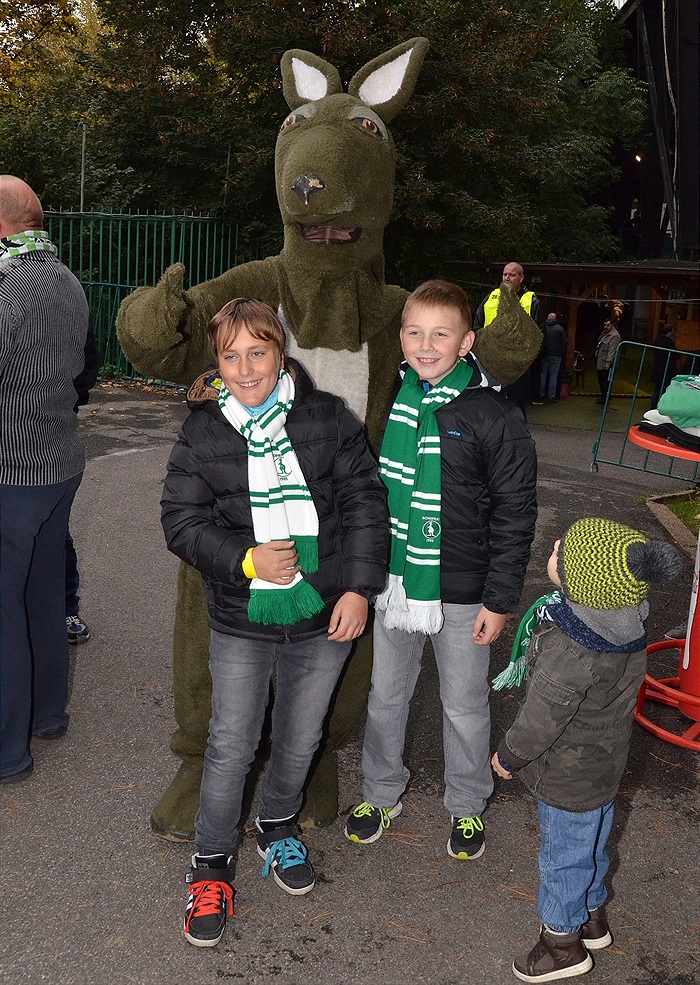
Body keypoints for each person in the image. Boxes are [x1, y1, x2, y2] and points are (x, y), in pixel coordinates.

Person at [160, 297, 388, 947]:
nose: (244, 368)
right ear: (217, 361)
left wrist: (359, 589)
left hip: (323, 610)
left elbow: (367, 504)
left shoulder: (327, 419)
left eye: (256, 351)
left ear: (279, 351)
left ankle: (278, 827)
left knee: (299, 735)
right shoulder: (204, 431)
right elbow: (181, 521)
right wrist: (244, 558)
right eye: (229, 356)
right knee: (231, 741)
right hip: (240, 616)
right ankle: (209, 865)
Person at [345, 279, 537, 860]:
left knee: (464, 704)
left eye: (441, 334)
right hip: (395, 581)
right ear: (401, 337)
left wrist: (499, 600)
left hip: (463, 590)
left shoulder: (492, 414)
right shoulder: (394, 400)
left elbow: (515, 511)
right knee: (386, 695)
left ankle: (468, 804)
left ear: (466, 340)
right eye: (415, 332)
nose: (426, 346)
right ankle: (381, 792)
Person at [491, 518, 682, 982]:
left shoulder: (572, 649)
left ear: (586, 583)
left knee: (564, 856)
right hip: (605, 766)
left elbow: (540, 721)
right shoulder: (627, 622)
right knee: (592, 843)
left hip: (568, 774)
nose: (554, 548)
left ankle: (561, 944)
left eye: (563, 553)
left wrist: (509, 756)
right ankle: (592, 917)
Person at [0, 175, 90, 783]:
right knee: (41, 591)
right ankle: (47, 713)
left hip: (12, 469)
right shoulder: (67, 279)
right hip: (61, 463)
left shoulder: (7, 289)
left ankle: (8, 750)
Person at [66, 319, 101, 644]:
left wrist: (71, 400)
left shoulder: (64, 292)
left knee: (53, 533)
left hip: (44, 439)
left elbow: (90, 356)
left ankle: (66, 608)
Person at [473, 261, 544, 417]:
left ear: (521, 278)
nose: (507, 278)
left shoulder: (532, 301)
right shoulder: (490, 297)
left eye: (512, 275)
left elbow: (539, 332)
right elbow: (477, 325)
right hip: (490, 364)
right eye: (505, 274)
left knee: (516, 406)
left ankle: (517, 437)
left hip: (516, 367)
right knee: (489, 404)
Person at [539, 313, 567, 403]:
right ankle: (551, 396)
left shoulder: (543, 328)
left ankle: (541, 394)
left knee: (543, 376)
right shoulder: (559, 329)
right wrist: (562, 354)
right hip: (555, 355)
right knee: (553, 377)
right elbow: (564, 343)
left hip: (544, 355)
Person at [650, 324, 679, 410]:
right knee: (665, 390)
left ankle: (653, 407)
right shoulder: (669, 343)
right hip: (667, 369)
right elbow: (676, 356)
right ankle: (662, 407)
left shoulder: (657, 340)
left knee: (657, 390)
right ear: (669, 332)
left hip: (657, 368)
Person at [594, 317, 621, 404]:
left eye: (608, 325)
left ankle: (604, 398)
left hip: (606, 362)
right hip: (601, 359)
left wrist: (608, 362)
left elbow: (612, 350)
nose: (606, 327)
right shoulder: (604, 333)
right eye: (605, 325)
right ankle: (604, 396)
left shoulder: (614, 336)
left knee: (605, 381)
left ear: (612, 325)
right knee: (601, 380)